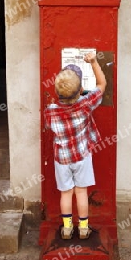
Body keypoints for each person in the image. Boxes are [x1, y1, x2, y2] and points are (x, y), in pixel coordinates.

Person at [44, 52, 106, 240]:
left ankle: (67, 228)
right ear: (81, 91)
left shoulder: (50, 112)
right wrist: (94, 61)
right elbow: (102, 85)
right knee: (81, 192)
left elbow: (48, 127)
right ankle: (84, 228)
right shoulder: (86, 104)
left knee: (66, 193)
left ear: (56, 92)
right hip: (81, 156)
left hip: (62, 158)